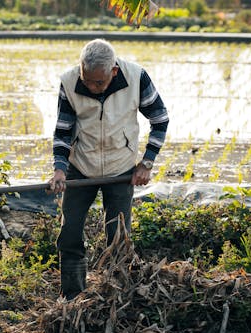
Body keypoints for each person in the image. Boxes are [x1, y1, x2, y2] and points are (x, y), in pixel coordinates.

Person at [48, 39, 169, 300]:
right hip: (80, 167)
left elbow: (160, 119)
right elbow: (63, 130)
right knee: (69, 233)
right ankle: (72, 296)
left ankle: (117, 295)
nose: (91, 87)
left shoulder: (136, 78)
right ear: (80, 69)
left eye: (98, 83)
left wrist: (146, 163)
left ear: (113, 72)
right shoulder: (69, 82)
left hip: (120, 169)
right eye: (87, 80)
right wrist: (59, 169)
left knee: (118, 236)